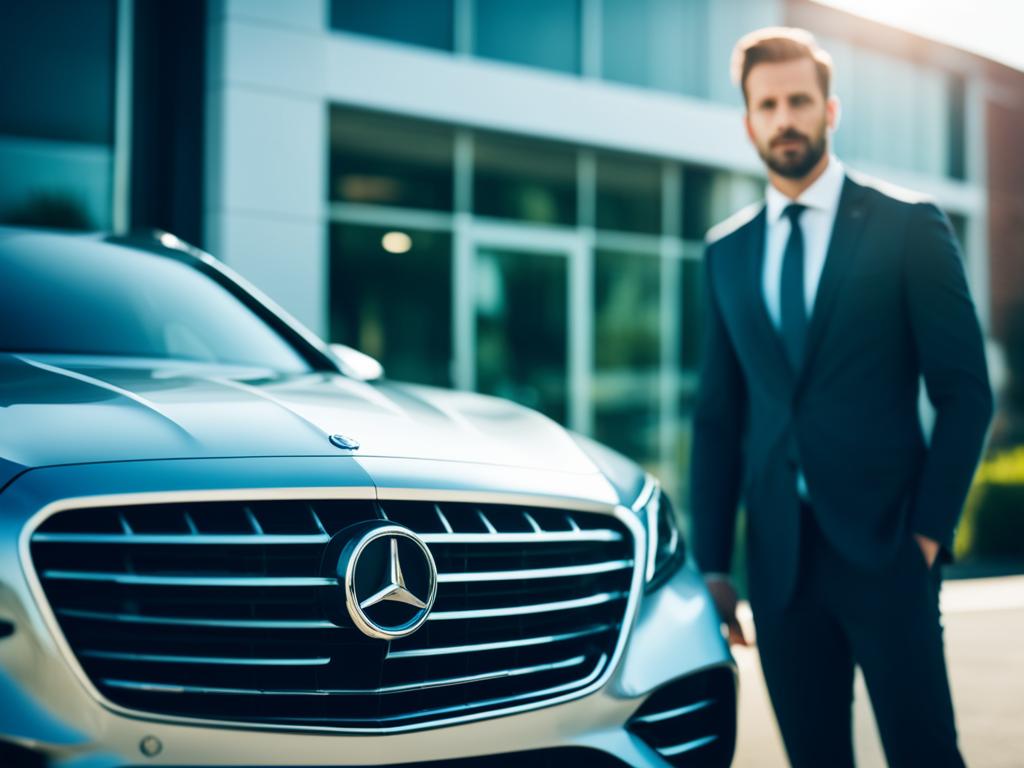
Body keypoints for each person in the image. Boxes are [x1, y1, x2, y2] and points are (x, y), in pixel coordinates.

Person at [689, 27, 993, 768]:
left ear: (831, 110)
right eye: (768, 104)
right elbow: (719, 416)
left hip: (888, 551)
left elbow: (965, 393)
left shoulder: (907, 226)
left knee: (926, 756)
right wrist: (715, 567)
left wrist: (927, 535)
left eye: (800, 100)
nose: (784, 117)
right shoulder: (726, 250)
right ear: (748, 120)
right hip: (779, 567)